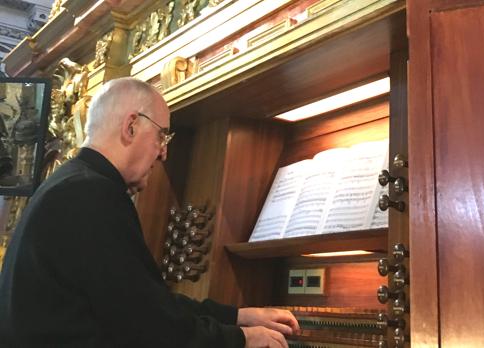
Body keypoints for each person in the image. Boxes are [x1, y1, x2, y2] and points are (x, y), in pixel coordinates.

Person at [0, 77, 299, 347]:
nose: (164, 152)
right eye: (162, 137)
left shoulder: (73, 182)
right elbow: (148, 326)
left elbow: (143, 300)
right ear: (131, 126)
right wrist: (241, 339)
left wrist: (236, 315)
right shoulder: (92, 194)